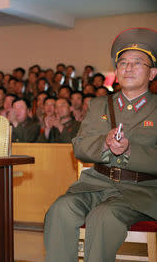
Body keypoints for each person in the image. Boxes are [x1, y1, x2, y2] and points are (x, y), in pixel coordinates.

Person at [44, 28, 157, 262]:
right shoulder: (99, 105)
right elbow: (80, 147)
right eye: (123, 63)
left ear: (152, 73)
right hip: (96, 184)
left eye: (138, 63)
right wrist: (104, 144)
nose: (128, 68)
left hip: (141, 191)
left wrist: (129, 149)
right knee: (60, 210)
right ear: (116, 71)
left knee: (103, 217)